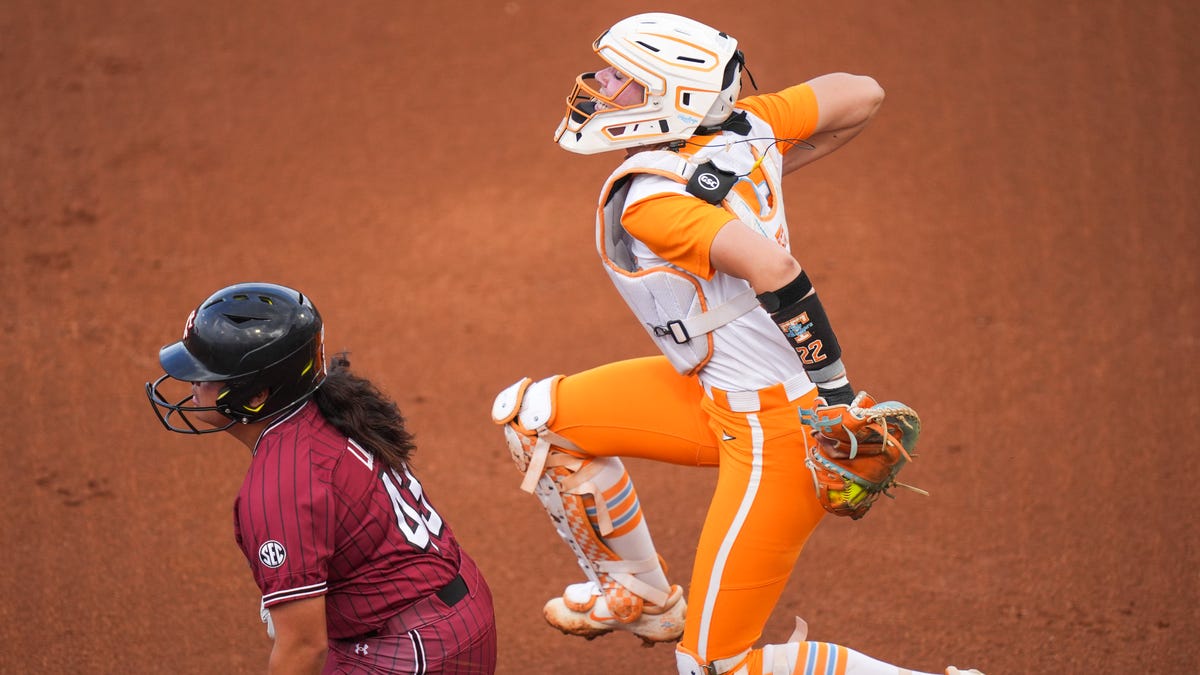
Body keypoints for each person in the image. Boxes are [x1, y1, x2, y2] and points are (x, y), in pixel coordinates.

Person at [492, 13, 982, 675]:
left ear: (673, 99)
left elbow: (776, 271)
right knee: (538, 420)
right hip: (711, 393)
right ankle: (641, 594)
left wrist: (836, 395)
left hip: (778, 432)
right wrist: (773, 158)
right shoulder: (749, 125)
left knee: (713, 668)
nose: (599, 84)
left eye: (623, 79)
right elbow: (862, 93)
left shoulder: (654, 204)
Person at [147, 282, 497, 675]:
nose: (193, 385)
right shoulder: (329, 407)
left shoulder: (280, 486)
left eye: (206, 374)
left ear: (256, 394)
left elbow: (304, 648)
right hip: (454, 610)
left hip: (413, 651)